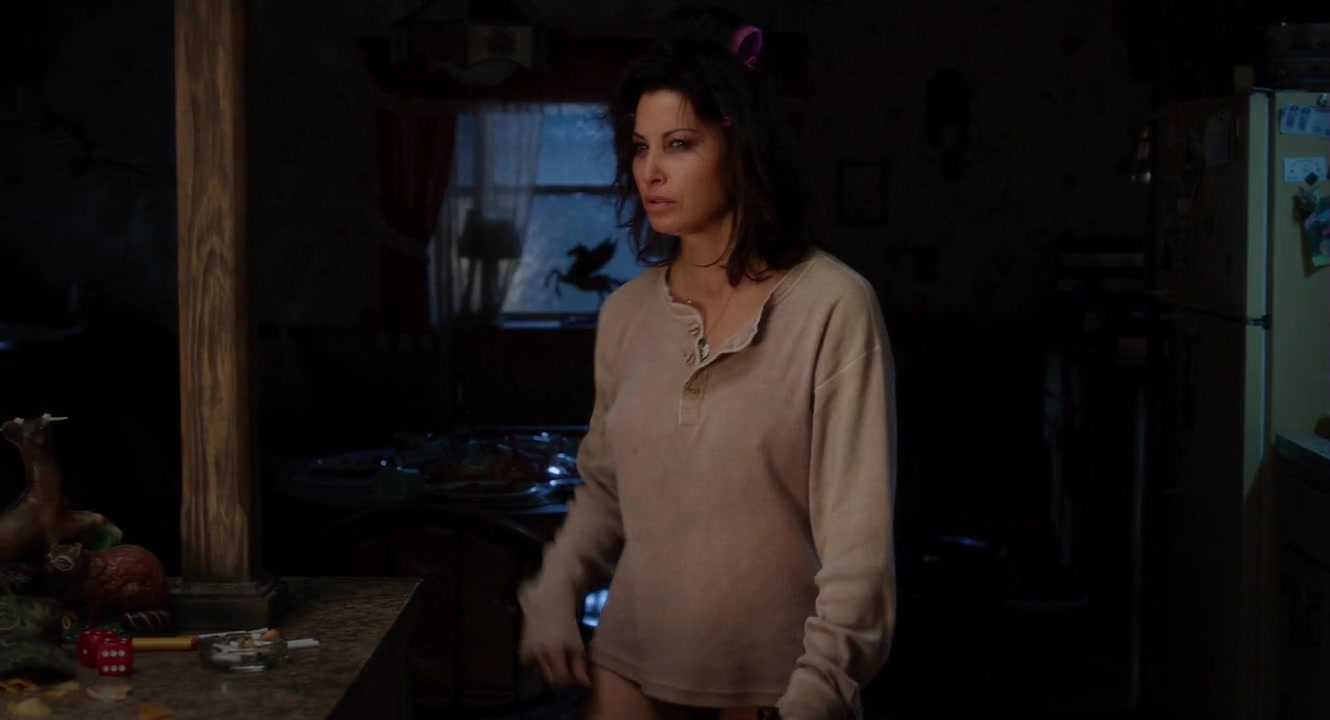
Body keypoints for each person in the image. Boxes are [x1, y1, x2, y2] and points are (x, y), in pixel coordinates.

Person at [518, 7, 897, 720]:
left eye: (680, 144)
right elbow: (606, 493)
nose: (651, 172)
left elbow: (860, 548)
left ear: (741, 146)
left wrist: (817, 691)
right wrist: (553, 594)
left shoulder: (833, 305)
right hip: (628, 667)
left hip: (777, 684)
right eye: (640, 148)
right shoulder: (626, 314)